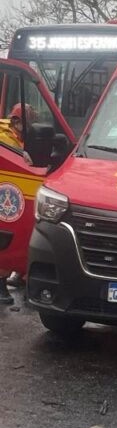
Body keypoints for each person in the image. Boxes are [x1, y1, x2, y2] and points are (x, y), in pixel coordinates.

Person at [0, 105, 37, 305]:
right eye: (27, 122)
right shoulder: (6, 138)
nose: (29, 127)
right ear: (16, 121)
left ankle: (20, 275)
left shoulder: (17, 136)